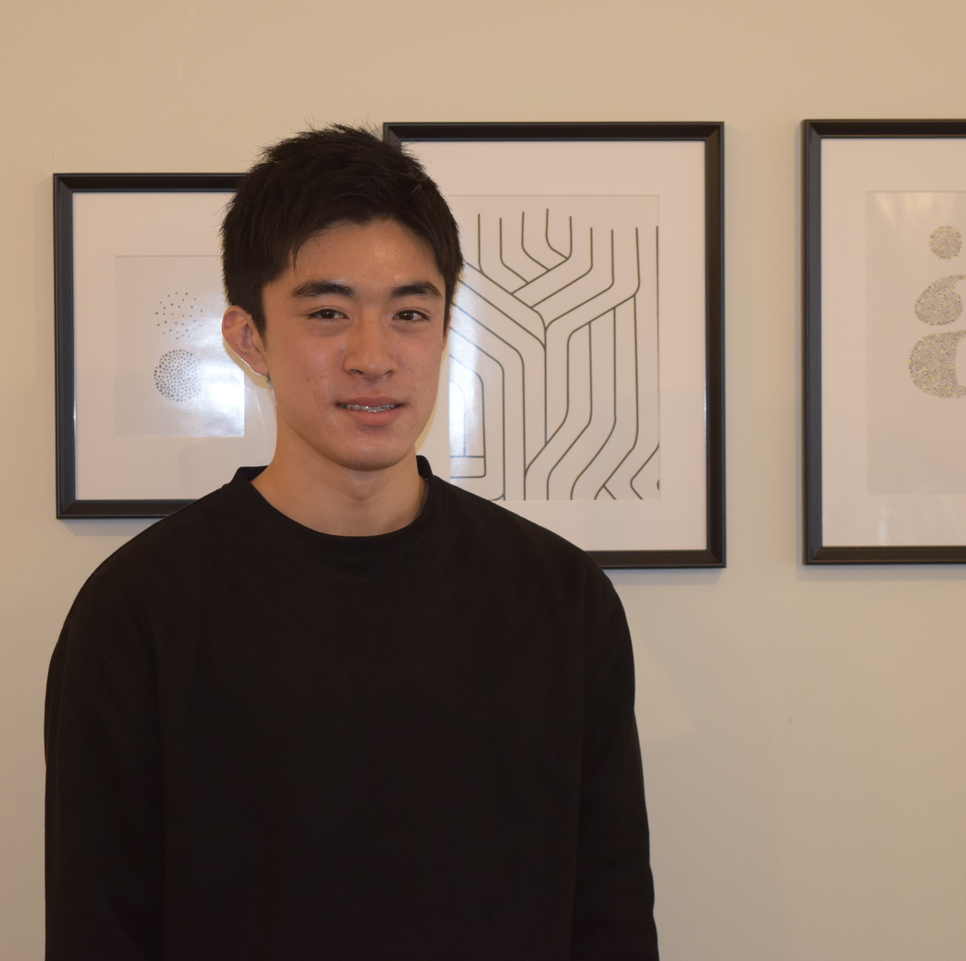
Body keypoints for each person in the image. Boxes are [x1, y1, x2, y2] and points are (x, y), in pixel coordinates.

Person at [44, 125, 658, 960]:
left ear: (445, 331)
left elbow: (612, 919)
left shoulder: (561, 598)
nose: (373, 357)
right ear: (249, 338)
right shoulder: (138, 611)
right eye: (328, 313)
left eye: (410, 314)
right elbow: (98, 927)